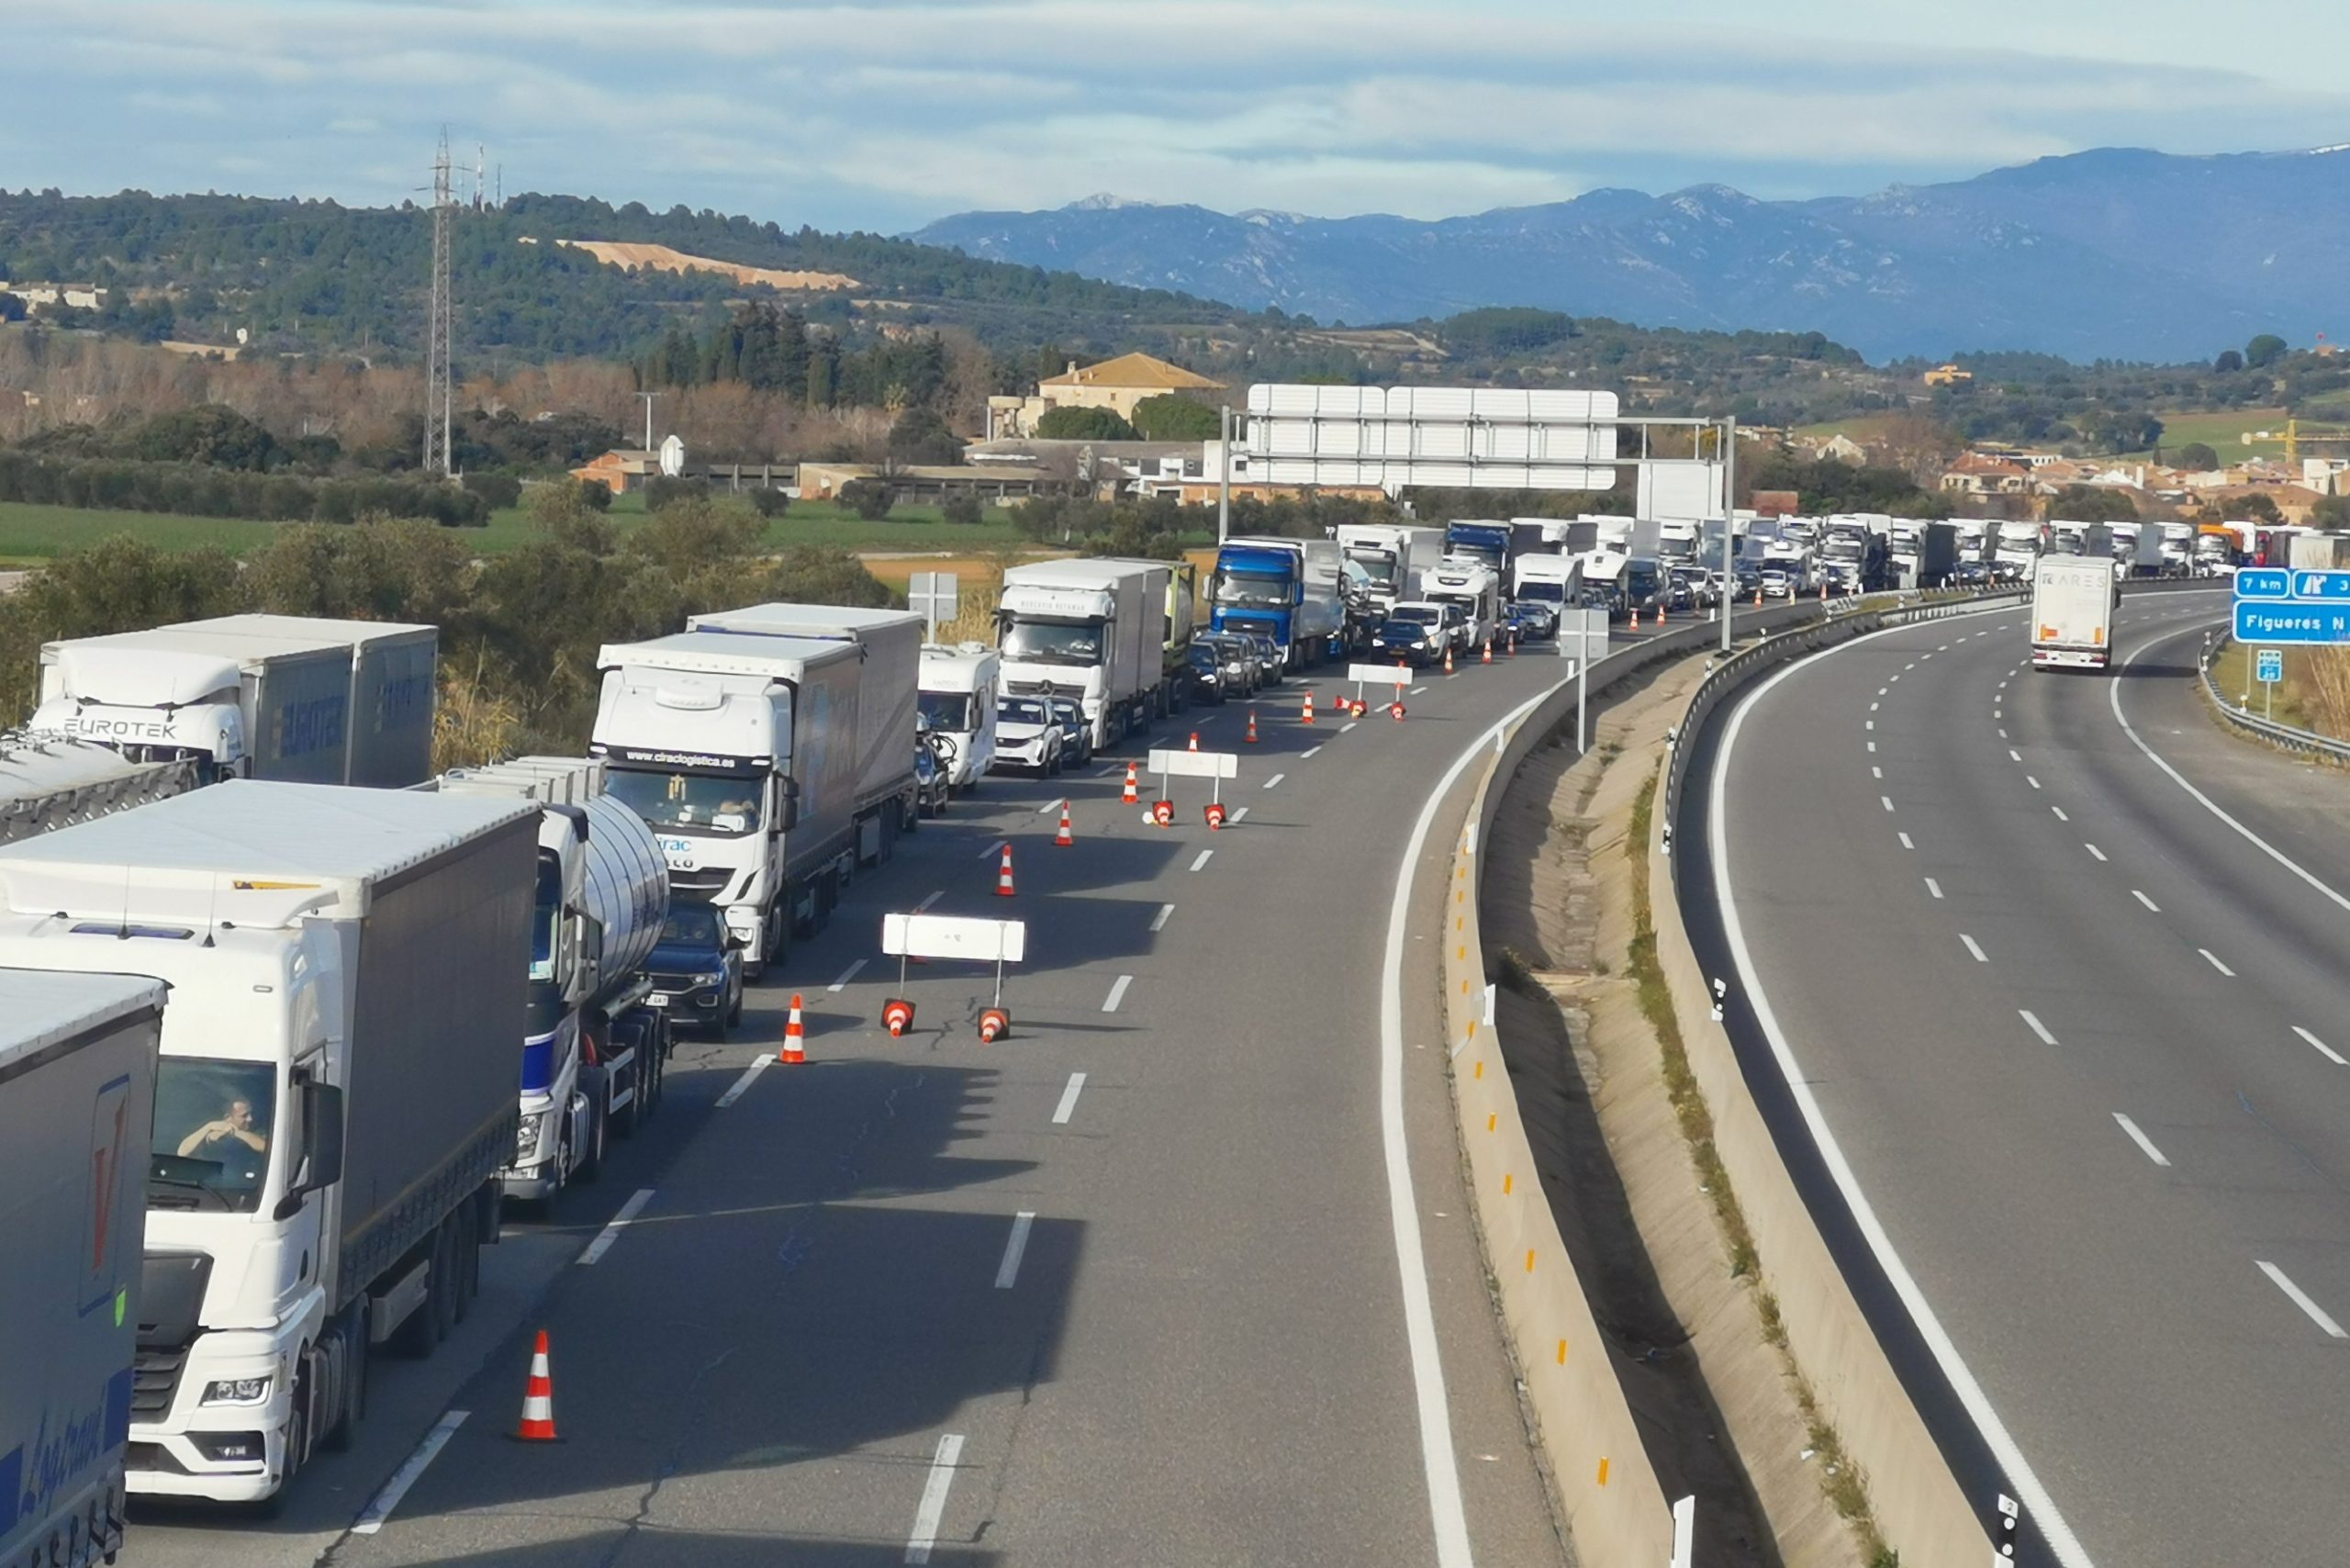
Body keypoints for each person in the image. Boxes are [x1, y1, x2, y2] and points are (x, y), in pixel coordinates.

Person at [177, 1097, 268, 1159]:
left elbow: (266, 1148)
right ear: (228, 1117)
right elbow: (182, 1153)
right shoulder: (214, 1133)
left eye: (251, 1114)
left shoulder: (257, 1132)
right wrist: (209, 1126)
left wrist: (235, 1133)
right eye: (244, 1116)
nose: (250, 1119)